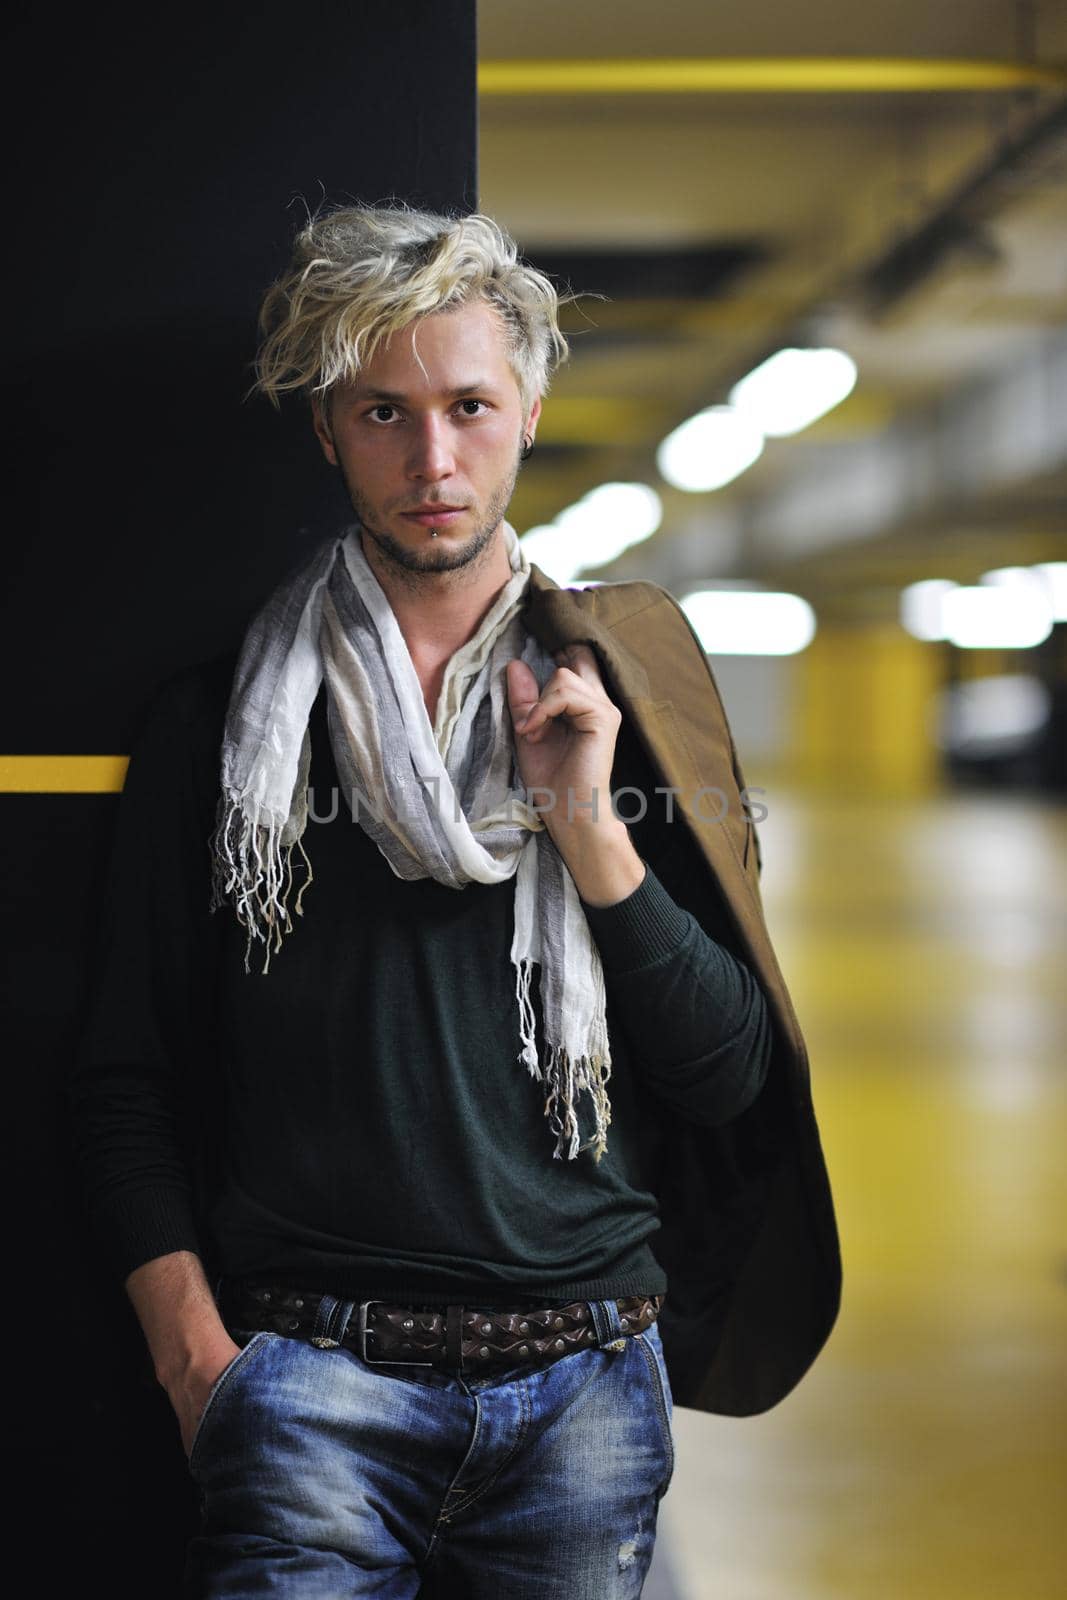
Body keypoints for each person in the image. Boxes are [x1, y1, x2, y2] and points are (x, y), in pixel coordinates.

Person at [70, 205, 841, 1598]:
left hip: (584, 1397)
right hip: (308, 1387)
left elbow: (730, 1076)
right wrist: (197, 1360)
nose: (434, 459)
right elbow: (128, 1077)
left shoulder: (632, 699)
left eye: (470, 406)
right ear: (327, 429)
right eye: (385, 411)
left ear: (530, 411)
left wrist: (589, 829)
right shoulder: (218, 733)